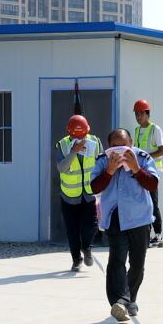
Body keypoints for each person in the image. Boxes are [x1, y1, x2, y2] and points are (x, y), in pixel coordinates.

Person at [90, 128, 159, 322]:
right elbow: (94, 187)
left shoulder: (143, 158)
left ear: (131, 143)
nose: (119, 150)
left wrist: (136, 168)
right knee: (117, 259)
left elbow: (153, 185)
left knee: (137, 264)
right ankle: (119, 302)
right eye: (114, 146)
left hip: (140, 218)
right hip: (115, 217)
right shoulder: (102, 160)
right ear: (108, 146)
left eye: (124, 145)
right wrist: (109, 171)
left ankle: (130, 299)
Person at [54, 115, 103, 272]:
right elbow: (61, 168)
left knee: (91, 226)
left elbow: (102, 162)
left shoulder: (95, 142)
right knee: (72, 230)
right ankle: (76, 260)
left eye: (83, 135)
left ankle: (87, 248)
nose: (81, 138)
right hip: (69, 195)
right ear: (69, 133)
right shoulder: (62, 145)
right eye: (77, 135)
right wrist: (73, 152)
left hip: (89, 193)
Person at [133, 99, 163, 248]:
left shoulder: (155, 129)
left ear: (147, 114)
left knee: (153, 203)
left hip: (152, 172)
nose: (138, 117)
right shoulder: (136, 130)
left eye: (141, 114)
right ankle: (146, 235)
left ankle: (158, 235)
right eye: (136, 114)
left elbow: (162, 151)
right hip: (139, 171)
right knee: (143, 203)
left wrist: (146, 157)